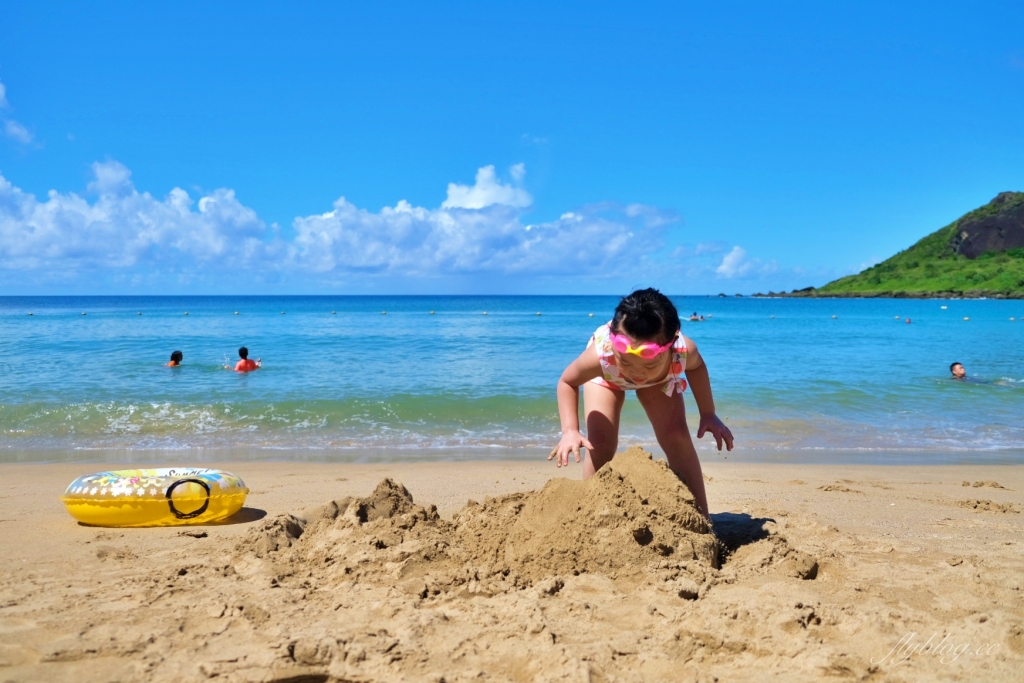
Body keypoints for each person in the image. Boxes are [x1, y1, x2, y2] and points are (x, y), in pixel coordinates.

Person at [549, 288, 733, 519]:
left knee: (677, 437)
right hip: (607, 376)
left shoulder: (682, 351)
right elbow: (567, 382)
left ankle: (700, 518)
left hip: (660, 381)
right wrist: (570, 430)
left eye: (647, 365)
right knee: (600, 443)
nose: (635, 373)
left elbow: (696, 368)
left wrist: (708, 413)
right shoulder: (602, 354)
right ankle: (591, 514)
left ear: (672, 345)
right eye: (626, 361)